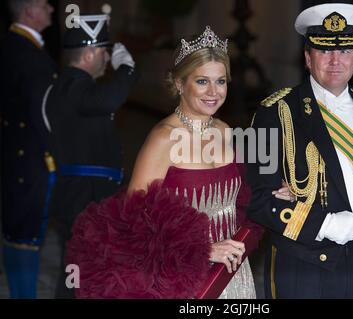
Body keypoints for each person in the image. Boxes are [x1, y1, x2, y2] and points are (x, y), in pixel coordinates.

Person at [65, 26, 264, 299]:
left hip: (234, 276)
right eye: (202, 81)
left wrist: (274, 191)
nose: (214, 92)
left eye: (221, 81)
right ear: (180, 83)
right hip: (184, 282)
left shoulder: (226, 131)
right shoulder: (163, 140)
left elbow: (238, 200)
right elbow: (132, 227)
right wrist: (202, 250)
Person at [247, 3, 353, 299]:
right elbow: (256, 200)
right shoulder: (274, 112)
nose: (335, 61)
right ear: (308, 58)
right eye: (324, 51)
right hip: (302, 263)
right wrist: (326, 223)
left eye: (345, 51)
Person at [44, 12, 137, 298]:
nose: (107, 60)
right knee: (79, 273)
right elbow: (108, 100)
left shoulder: (67, 87)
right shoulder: (74, 87)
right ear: (90, 55)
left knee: (82, 270)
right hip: (84, 197)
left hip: (81, 196)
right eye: (104, 53)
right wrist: (128, 70)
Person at [0, 0, 57, 299]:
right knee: (26, 237)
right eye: (43, 4)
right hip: (33, 161)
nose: (50, 8)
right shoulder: (29, 56)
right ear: (30, 11)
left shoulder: (12, 45)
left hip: (14, 156)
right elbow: (45, 116)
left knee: (16, 233)